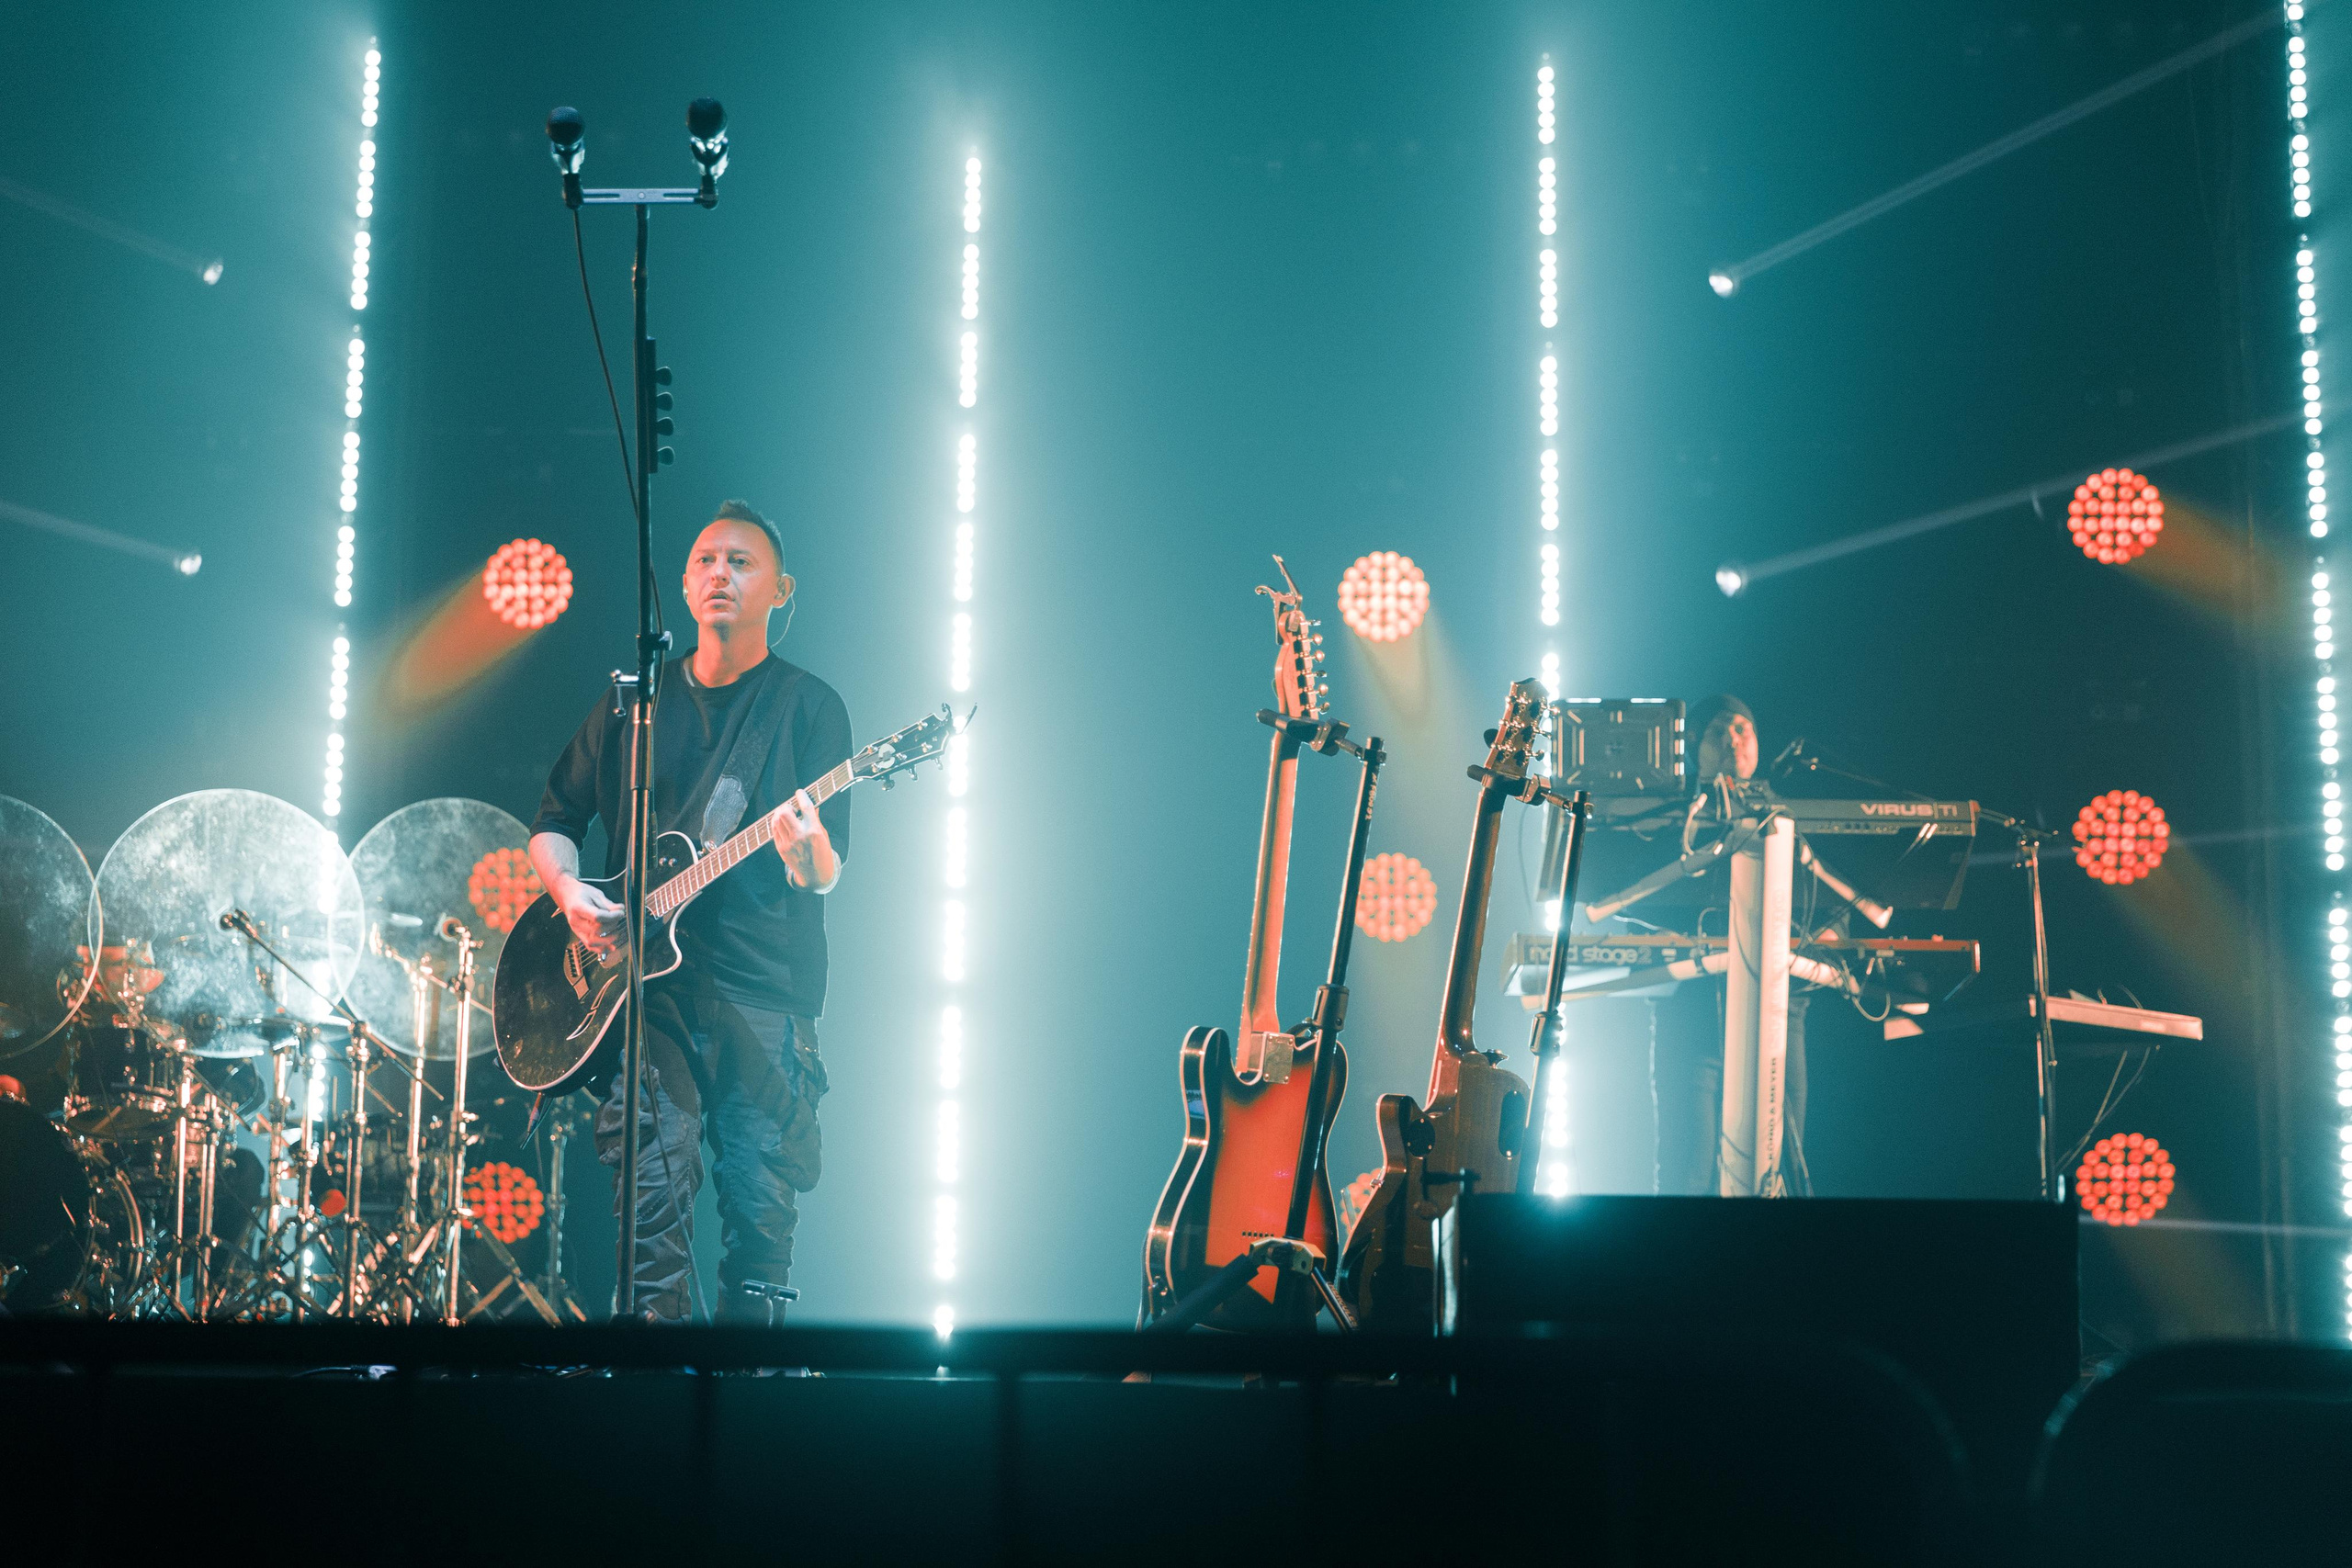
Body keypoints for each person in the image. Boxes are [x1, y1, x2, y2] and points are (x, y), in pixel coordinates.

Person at [526, 500, 852, 1323]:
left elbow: (824, 874)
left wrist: (803, 849)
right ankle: (651, 1383)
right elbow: (555, 820)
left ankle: (753, 1389)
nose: (721, 573)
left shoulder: (810, 708)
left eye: (742, 561)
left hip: (765, 993)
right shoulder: (632, 705)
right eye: (707, 559)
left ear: (781, 589)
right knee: (651, 1218)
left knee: (761, 1224)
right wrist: (568, 893)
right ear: (682, 581)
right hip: (646, 996)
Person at [1649, 694, 1818, 1197]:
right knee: (1688, 1172)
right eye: (1717, 731)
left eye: (1743, 728)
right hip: (1694, 1010)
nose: (1732, 739)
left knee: (1780, 1169)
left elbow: (1826, 898)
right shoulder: (1675, 818)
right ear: (1694, 749)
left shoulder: (1787, 819)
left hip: (1780, 1009)